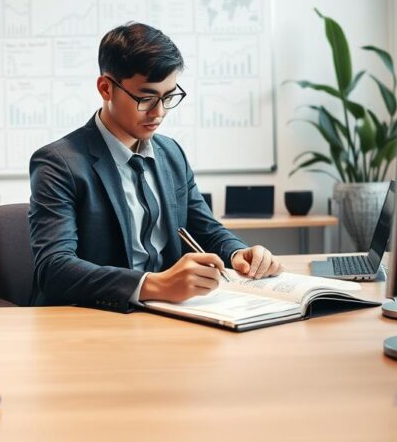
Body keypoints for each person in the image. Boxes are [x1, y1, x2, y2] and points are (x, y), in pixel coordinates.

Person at [28, 22, 283, 312]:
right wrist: (154, 284)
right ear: (105, 88)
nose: (159, 112)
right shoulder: (58, 163)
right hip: (94, 320)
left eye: (168, 96)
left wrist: (237, 251)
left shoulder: (170, 153)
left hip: (171, 314)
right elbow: (54, 269)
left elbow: (205, 229)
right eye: (146, 98)